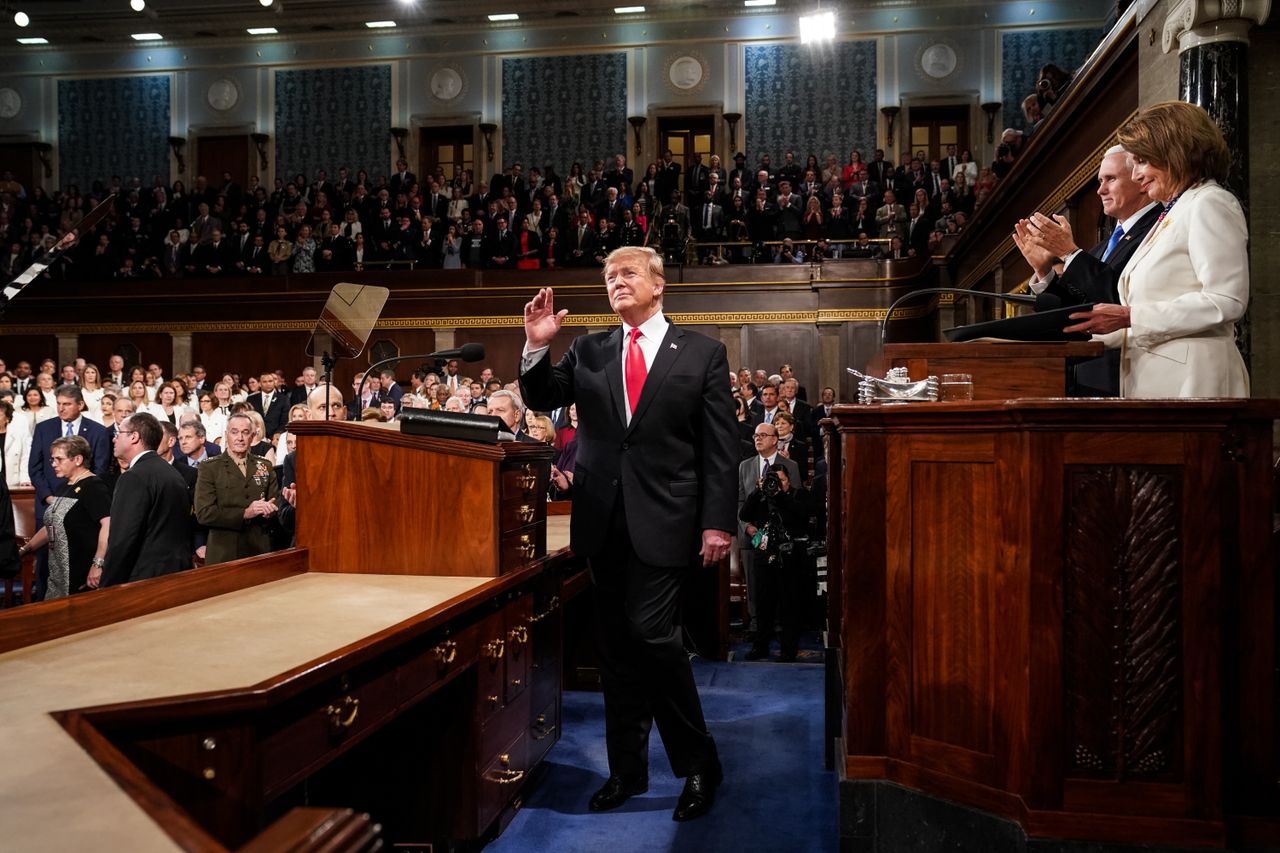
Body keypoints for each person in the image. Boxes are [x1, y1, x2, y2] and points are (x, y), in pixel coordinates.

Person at [519, 245, 736, 822]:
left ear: (658, 284)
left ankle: (697, 763)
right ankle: (628, 772)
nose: (616, 282)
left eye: (628, 273)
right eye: (609, 276)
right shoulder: (590, 348)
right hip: (600, 521)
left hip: (668, 520)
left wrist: (718, 521)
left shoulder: (703, 353)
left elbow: (720, 448)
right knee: (615, 652)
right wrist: (537, 344)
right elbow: (542, 397)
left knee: (654, 636)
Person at [1059, 102, 1248, 397]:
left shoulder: (1208, 203)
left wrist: (1130, 316)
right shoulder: (1173, 211)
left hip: (1195, 382)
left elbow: (1225, 300)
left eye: (1143, 162)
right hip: (1152, 381)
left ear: (1175, 153)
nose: (1136, 175)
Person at [1013, 145, 1161, 396]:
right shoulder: (1101, 248)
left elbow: (1120, 300)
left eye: (1110, 179)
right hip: (1089, 377)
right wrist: (1044, 273)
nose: (1100, 190)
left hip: (1132, 376)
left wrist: (1070, 253)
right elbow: (1074, 314)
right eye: (1100, 181)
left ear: (1139, 179)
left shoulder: (1157, 231)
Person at [100, 412, 194, 586]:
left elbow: (122, 539)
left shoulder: (133, 477)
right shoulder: (173, 473)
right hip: (177, 573)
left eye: (118, 433)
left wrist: (107, 585)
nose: (114, 439)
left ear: (134, 437)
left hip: (144, 578)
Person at [17, 435, 112, 597]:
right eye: (52, 459)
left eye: (59, 459)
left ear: (78, 459)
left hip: (81, 572)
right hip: (57, 572)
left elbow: (108, 525)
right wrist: (26, 549)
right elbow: (51, 527)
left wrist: (98, 564)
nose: (54, 464)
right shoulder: (63, 486)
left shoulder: (93, 486)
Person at [737, 422, 801, 658]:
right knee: (758, 588)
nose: (757, 439)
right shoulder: (744, 466)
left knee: (785, 594)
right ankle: (758, 636)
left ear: (776, 439)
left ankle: (786, 643)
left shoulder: (791, 466)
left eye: (763, 435)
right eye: (755, 435)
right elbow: (740, 503)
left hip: (784, 540)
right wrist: (748, 528)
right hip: (756, 538)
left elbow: (796, 498)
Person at [194, 412, 280, 565]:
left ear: (253, 436)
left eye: (245, 432)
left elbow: (275, 502)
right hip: (224, 553)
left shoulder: (265, 465)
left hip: (260, 551)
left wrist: (270, 511)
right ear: (226, 435)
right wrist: (246, 513)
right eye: (234, 432)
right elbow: (204, 513)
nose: (240, 437)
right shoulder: (209, 468)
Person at [0, 400, 31, 488]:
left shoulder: (18, 434)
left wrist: (25, 478)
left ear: (7, 418)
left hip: (13, 482)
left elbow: (25, 457)